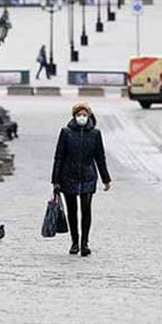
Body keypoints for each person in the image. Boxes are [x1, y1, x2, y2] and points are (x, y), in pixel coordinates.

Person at [52, 102, 111, 256]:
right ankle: (74, 242)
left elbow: (100, 157)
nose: (82, 118)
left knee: (86, 209)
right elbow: (59, 157)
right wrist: (55, 180)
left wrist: (106, 179)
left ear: (89, 116)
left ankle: (85, 242)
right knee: (72, 211)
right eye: (79, 115)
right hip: (68, 176)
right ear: (74, 116)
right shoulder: (66, 132)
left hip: (88, 176)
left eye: (84, 115)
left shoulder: (95, 134)